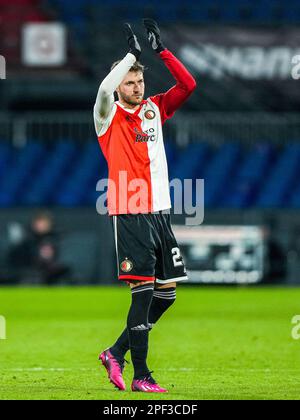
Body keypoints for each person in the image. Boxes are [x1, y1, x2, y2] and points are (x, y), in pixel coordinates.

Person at [94, 19, 196, 393]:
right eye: (130, 82)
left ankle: (115, 352)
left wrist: (161, 51)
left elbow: (188, 85)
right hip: (130, 208)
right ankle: (141, 375)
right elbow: (105, 87)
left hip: (160, 211)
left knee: (166, 293)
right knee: (142, 291)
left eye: (139, 81)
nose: (137, 88)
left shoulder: (155, 108)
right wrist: (131, 54)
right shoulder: (107, 115)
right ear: (120, 85)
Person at [7, 211, 70, 285]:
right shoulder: (27, 240)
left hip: (51, 271)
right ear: (33, 224)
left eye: (44, 223)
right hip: (29, 270)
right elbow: (16, 258)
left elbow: (59, 257)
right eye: (39, 223)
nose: (41, 226)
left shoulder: (55, 239)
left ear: (50, 224)